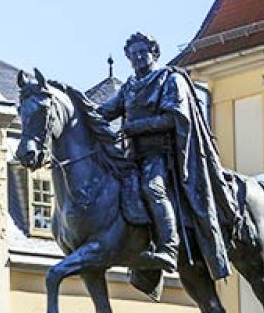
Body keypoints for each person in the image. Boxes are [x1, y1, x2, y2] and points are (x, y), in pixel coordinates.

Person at [98, 32, 238, 280]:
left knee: (153, 189)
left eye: (143, 52)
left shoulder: (169, 80)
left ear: (154, 52)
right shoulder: (129, 88)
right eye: (133, 54)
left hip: (163, 155)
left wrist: (136, 127)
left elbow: (175, 118)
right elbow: (105, 112)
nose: (139, 57)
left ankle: (169, 247)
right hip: (133, 156)